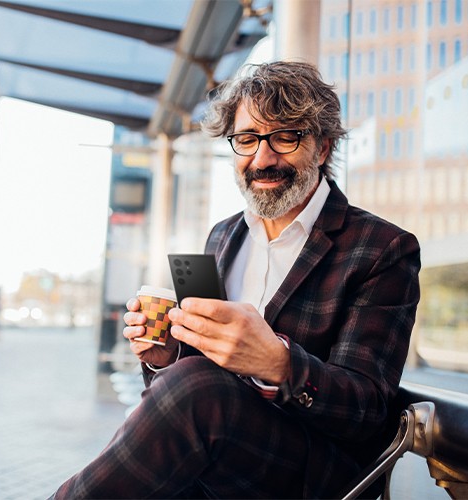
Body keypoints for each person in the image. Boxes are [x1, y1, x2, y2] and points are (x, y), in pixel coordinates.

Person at [52, 61, 421, 499]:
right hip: (214, 458)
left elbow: (368, 411)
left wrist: (279, 363)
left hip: (313, 475)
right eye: (247, 139)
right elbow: (191, 376)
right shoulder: (223, 235)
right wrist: (166, 356)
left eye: (285, 137)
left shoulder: (382, 248)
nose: (262, 159)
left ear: (322, 148)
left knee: (197, 392)